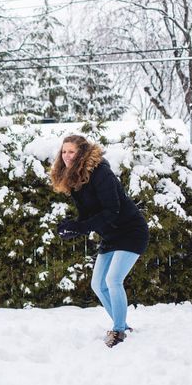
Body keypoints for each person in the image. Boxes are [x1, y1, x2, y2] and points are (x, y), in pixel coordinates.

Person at [50, 135, 149, 348]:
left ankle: (119, 331)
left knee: (113, 280)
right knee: (98, 284)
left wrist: (80, 227)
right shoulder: (75, 178)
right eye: (64, 151)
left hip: (131, 231)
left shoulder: (101, 173)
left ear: (82, 153)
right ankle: (121, 324)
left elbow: (111, 211)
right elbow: (88, 216)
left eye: (71, 152)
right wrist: (71, 227)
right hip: (111, 235)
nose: (66, 156)